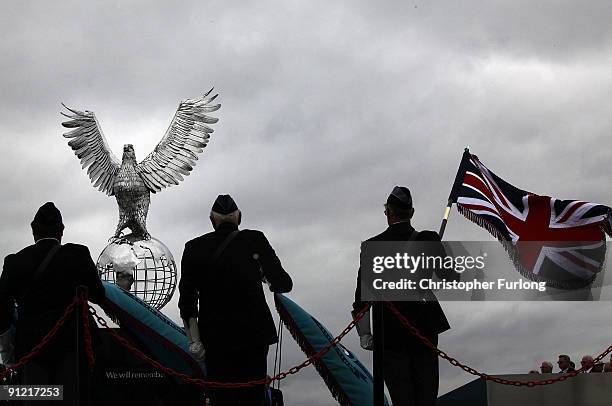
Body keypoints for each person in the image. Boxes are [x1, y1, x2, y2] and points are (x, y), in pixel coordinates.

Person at [178, 194, 293, 405]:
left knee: (221, 397)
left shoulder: (194, 247)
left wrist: (194, 341)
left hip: (215, 339)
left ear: (212, 220)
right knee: (253, 397)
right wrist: (262, 274)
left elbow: (187, 300)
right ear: (239, 218)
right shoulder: (255, 240)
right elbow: (284, 284)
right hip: (254, 336)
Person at [352, 186, 458, 406]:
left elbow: (362, 295)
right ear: (411, 213)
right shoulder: (428, 239)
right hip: (424, 326)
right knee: (426, 396)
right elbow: (450, 278)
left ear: (387, 213)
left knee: (403, 399)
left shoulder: (372, 246)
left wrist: (364, 332)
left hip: (389, 331)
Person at [0, 202, 105, 405]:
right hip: (71, 349)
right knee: (70, 398)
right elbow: (98, 295)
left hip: (31, 351)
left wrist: (8, 352)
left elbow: (2, 309)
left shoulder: (14, 262)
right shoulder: (78, 255)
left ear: (33, 230)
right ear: (61, 231)